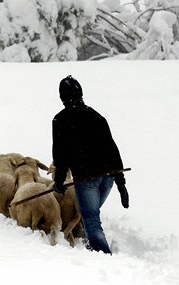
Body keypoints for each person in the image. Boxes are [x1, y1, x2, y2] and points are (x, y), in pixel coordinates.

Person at [52, 75, 129, 255]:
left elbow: (60, 155)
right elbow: (112, 149)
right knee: (90, 216)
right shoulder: (97, 117)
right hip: (107, 178)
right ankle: (90, 246)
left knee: (91, 219)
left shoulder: (60, 120)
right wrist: (121, 184)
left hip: (86, 179)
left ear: (62, 97)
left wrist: (59, 180)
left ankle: (105, 258)